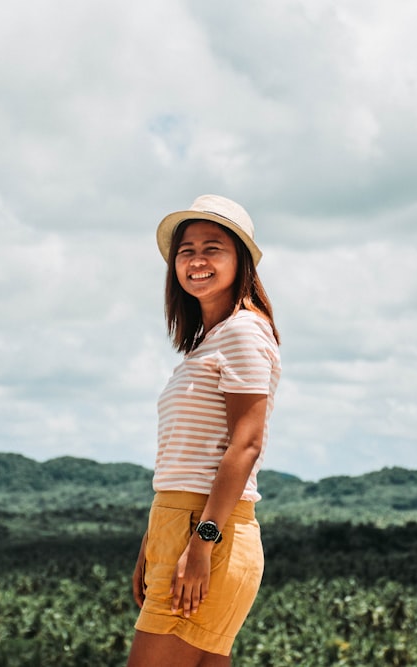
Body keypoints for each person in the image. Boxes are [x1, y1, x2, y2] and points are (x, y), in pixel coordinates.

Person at [127, 194, 281, 666]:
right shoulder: (209, 342)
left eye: (213, 247)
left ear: (242, 260)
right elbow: (184, 459)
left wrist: (200, 542)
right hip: (180, 527)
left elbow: (247, 443)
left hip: (208, 533)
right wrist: (151, 545)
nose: (196, 259)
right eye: (186, 249)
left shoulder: (242, 332)